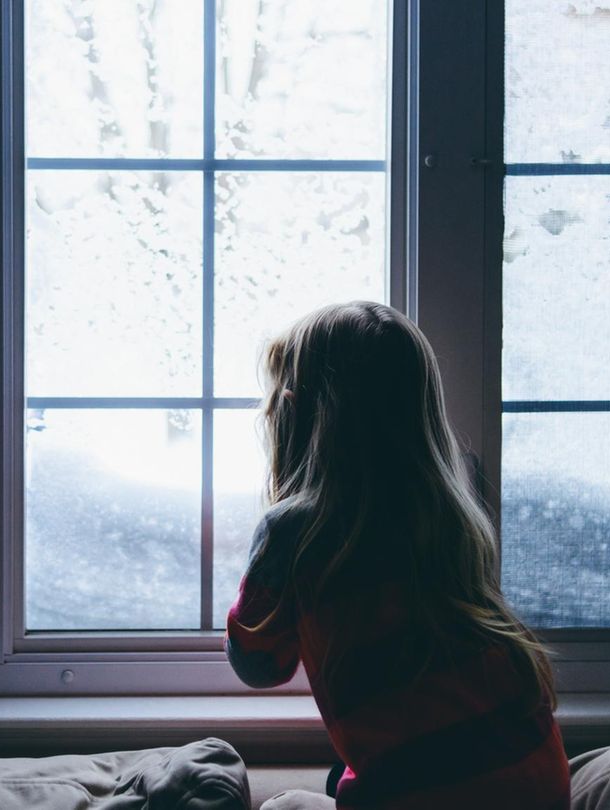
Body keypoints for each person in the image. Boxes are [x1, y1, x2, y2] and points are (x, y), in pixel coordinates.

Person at [226, 301, 570, 809]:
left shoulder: (295, 531)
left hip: (428, 795)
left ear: (294, 415)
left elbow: (258, 665)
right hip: (538, 784)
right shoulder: (450, 516)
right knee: (340, 775)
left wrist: (267, 576)